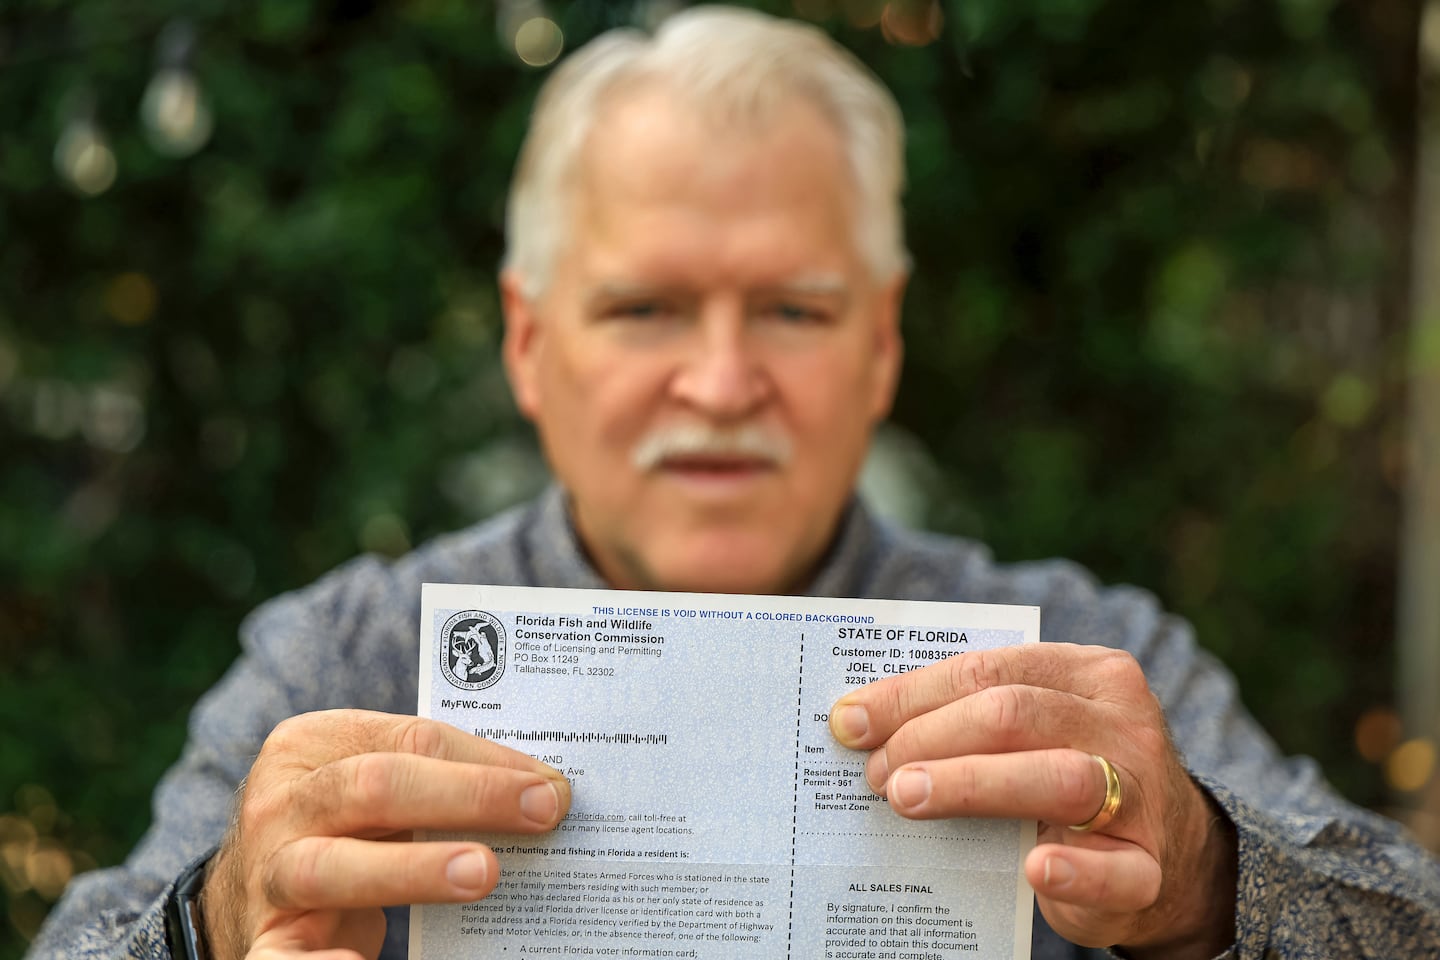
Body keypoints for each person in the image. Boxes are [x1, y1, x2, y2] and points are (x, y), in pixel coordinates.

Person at [28, 7, 1440, 960]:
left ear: (882, 346)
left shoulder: (1076, 663)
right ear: (530, 344)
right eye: (645, 310)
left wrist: (1207, 874)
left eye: (796, 311)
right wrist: (214, 919)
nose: (719, 383)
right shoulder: (346, 656)